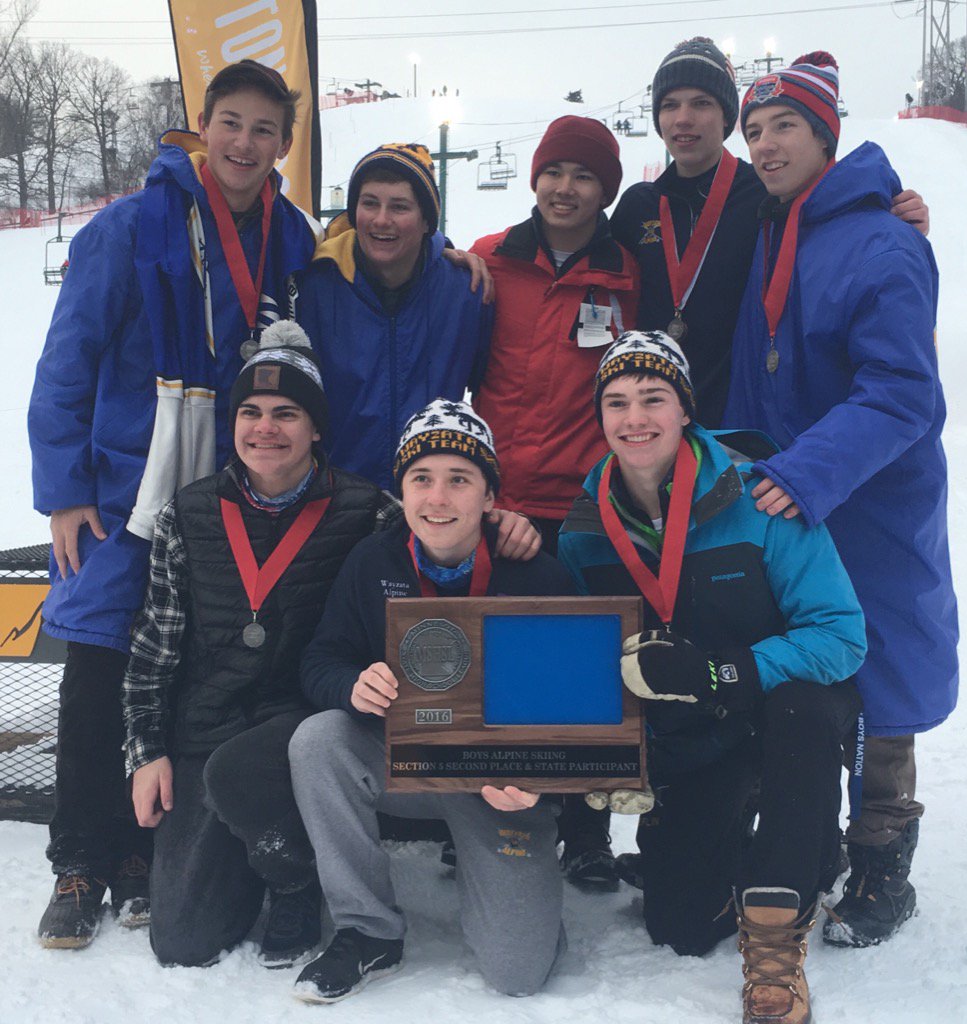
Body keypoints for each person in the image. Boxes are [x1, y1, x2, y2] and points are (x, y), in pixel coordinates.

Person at [28, 59, 321, 949]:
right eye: (230, 123)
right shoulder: (129, 226)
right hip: (122, 482)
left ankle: (140, 853)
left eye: (264, 130)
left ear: (284, 142)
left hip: (230, 474)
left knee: (185, 663)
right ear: (203, 122)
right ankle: (80, 857)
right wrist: (64, 491)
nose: (244, 143)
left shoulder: (293, 234)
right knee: (99, 659)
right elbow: (66, 360)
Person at [559, 331, 866, 1024]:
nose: (634, 418)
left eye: (652, 398)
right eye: (616, 402)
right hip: (693, 740)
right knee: (680, 927)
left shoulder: (762, 500)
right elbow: (588, 663)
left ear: (685, 410)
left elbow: (841, 636)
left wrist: (720, 673)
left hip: (781, 714)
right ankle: (773, 847)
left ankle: (775, 943)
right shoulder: (583, 532)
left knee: (801, 712)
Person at [726, 52, 958, 950]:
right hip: (793, 501)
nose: (765, 143)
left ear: (825, 134)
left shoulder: (880, 241)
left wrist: (805, 474)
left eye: (783, 125)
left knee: (882, 681)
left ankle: (881, 867)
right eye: (755, 130)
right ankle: (808, 842)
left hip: (865, 503)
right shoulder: (781, 230)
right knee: (807, 671)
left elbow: (903, 391)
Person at [122, 322, 395, 968]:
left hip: (299, 730)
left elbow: (444, 556)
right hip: (206, 727)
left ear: (316, 428)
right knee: (183, 940)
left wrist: (505, 532)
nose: (264, 429)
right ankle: (255, 853)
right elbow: (153, 651)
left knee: (254, 771)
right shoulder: (185, 515)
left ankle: (294, 878)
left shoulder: (368, 513)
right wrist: (147, 752)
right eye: (250, 412)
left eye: (286, 414)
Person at [288, 400, 574, 1003]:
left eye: (459, 480)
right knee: (318, 740)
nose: (437, 498)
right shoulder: (374, 561)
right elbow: (319, 660)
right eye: (421, 479)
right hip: (405, 762)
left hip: (494, 781)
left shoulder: (538, 576)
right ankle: (367, 930)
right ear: (402, 492)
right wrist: (351, 685)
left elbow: (579, 707)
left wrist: (542, 775)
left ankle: (525, 901)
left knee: (518, 973)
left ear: (490, 498)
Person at [469, 115, 639, 891]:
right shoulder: (487, 262)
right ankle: (481, 814)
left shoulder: (628, 275)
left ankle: (586, 827)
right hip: (496, 497)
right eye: (554, 173)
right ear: (533, 178)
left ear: (604, 191)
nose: (565, 189)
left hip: (582, 505)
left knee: (581, 664)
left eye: (584, 177)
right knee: (493, 662)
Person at [610, 36, 929, 428]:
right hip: (650, 425)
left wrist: (891, 214)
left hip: (736, 430)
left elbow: (831, 210)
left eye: (701, 103)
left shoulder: (766, 193)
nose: (683, 119)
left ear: (727, 117)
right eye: (669, 105)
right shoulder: (636, 206)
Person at [295, 142, 495, 493]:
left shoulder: (465, 292)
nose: (381, 219)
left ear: (426, 223)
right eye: (369, 203)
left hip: (429, 498)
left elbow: (492, 395)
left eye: (400, 207)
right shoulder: (316, 286)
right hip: (334, 497)